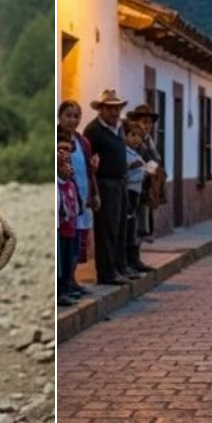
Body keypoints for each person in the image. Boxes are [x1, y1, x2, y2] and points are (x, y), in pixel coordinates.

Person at [83, 89, 132, 285]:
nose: (114, 113)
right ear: (101, 109)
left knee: (121, 227)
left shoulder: (119, 128)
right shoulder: (93, 131)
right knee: (106, 229)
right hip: (104, 183)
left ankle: (120, 267)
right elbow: (89, 160)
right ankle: (106, 273)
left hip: (120, 182)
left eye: (117, 108)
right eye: (110, 109)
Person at [57, 100, 99, 297]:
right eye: (68, 115)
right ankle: (63, 284)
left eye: (76, 116)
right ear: (59, 117)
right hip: (65, 200)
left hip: (80, 197)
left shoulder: (83, 142)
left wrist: (94, 194)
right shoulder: (57, 140)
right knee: (65, 244)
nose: (72, 120)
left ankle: (72, 280)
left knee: (76, 241)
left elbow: (89, 172)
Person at [126, 104, 165, 241]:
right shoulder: (134, 139)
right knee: (136, 223)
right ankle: (132, 256)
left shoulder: (149, 140)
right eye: (144, 122)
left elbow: (155, 158)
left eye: (149, 122)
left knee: (144, 223)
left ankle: (137, 254)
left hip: (148, 186)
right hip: (136, 186)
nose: (147, 125)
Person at [124, 122, 155, 274]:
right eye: (132, 135)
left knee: (138, 227)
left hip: (138, 192)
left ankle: (135, 258)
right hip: (128, 192)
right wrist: (132, 167)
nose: (136, 139)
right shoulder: (125, 153)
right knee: (129, 227)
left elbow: (152, 161)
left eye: (139, 136)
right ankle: (128, 260)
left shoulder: (139, 152)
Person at [56, 131, 80, 307]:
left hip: (70, 227)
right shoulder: (58, 185)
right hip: (61, 228)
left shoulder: (70, 184)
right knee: (61, 260)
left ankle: (67, 287)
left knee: (69, 258)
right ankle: (62, 291)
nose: (69, 167)